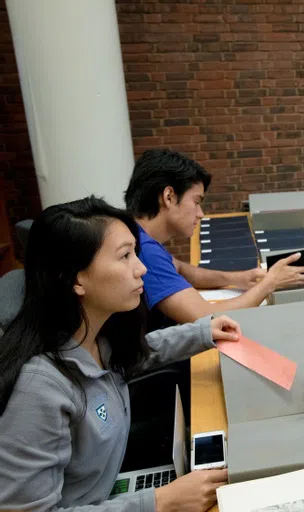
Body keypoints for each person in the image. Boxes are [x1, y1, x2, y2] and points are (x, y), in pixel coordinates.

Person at [0, 196, 240, 511]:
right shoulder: (38, 388)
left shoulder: (95, 336)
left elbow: (139, 354)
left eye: (135, 253)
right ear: (76, 279)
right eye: (125, 256)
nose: (140, 268)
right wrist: (159, 502)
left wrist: (202, 332)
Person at [124, 149, 304, 326]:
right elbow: (205, 317)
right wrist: (270, 284)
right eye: (196, 201)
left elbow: (181, 268)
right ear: (169, 197)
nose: (200, 213)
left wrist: (239, 278)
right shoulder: (144, 251)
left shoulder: (139, 236)